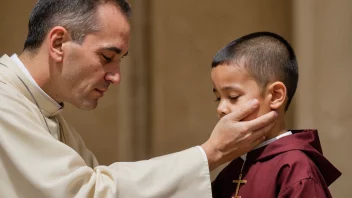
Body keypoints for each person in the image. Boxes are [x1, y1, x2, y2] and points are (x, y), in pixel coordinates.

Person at [0, 1, 278, 197]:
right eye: (107, 57)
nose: (116, 77)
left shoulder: (45, 113)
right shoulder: (5, 102)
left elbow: (102, 182)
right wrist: (211, 153)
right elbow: (89, 194)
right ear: (59, 43)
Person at [210, 32, 341, 198]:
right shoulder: (236, 167)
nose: (221, 108)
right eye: (218, 98)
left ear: (276, 95)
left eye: (233, 96)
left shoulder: (296, 168)